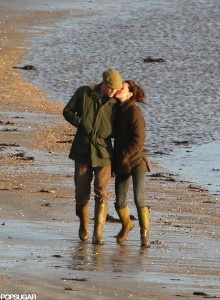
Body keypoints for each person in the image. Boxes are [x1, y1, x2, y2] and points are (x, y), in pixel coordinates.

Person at [63, 69, 123, 245]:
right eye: (110, 88)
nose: (113, 92)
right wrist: (82, 124)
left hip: (104, 153)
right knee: (81, 192)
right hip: (82, 150)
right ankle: (83, 224)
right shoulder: (84, 93)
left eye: (115, 90)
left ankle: (98, 233)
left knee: (101, 192)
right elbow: (67, 111)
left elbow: (124, 123)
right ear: (103, 83)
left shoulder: (116, 104)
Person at [113, 80, 151, 248]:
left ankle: (145, 235)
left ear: (129, 94)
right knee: (120, 201)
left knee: (139, 199)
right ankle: (127, 225)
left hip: (137, 162)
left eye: (122, 88)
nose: (118, 89)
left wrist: (124, 153)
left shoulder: (134, 111)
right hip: (122, 163)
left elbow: (139, 139)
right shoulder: (116, 109)